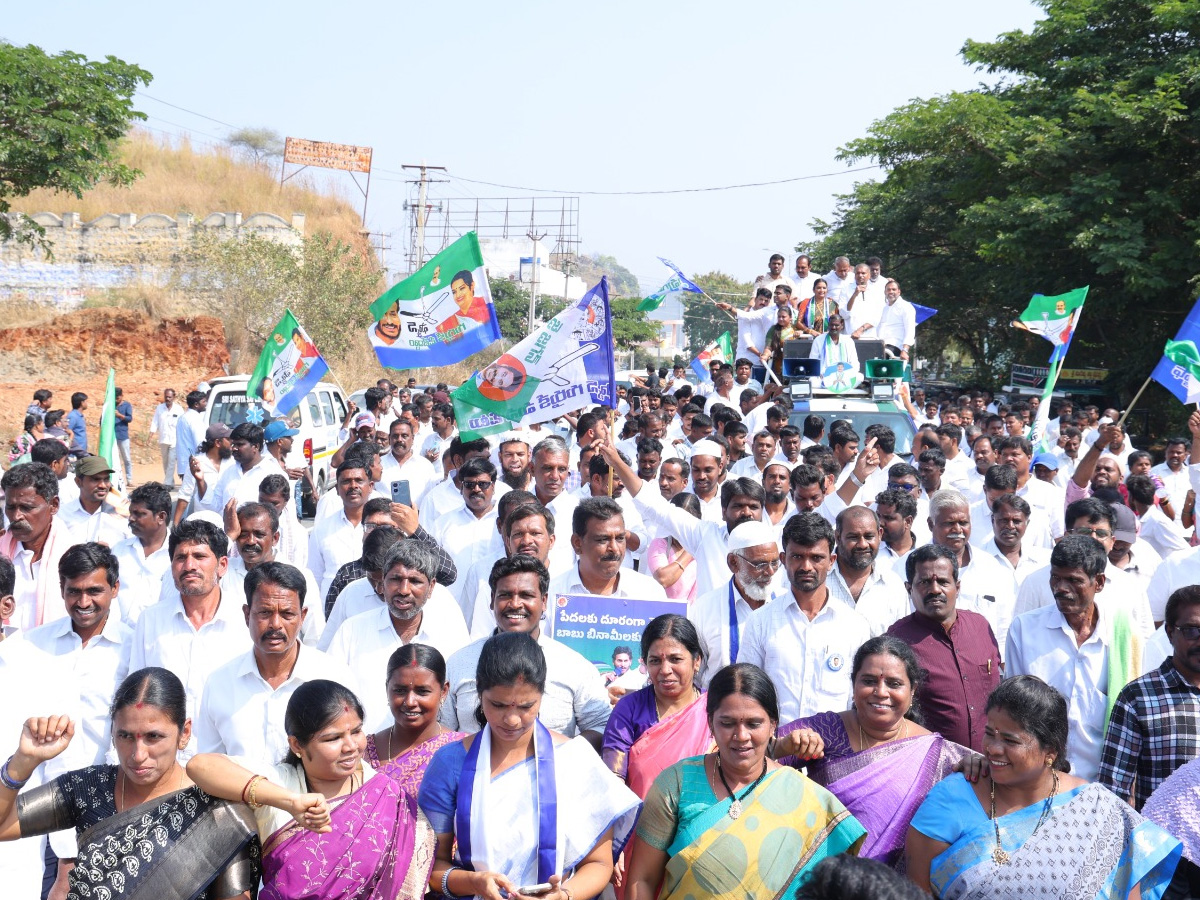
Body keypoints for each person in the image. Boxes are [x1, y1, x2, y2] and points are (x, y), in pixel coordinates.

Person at [907, 676, 1181, 899]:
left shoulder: (1096, 809)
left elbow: (1126, 890)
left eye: (1011, 741)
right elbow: (916, 891)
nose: (993, 748)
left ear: (1050, 752)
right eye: (990, 733)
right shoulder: (951, 798)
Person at [0, 667, 261, 899]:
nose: (138, 754)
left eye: (153, 736)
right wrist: (23, 762)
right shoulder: (89, 788)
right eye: (125, 736)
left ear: (185, 733)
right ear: (112, 731)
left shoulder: (215, 812)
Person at [420, 632, 641, 900]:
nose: (512, 719)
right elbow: (429, 866)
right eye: (498, 705)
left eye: (526, 706)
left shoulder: (574, 759)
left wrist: (563, 896)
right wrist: (475, 882)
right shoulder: (450, 763)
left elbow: (599, 864)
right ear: (479, 691)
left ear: (542, 694)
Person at [625, 662, 866, 899]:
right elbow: (642, 880)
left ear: (773, 724)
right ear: (710, 723)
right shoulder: (677, 784)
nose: (741, 736)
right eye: (727, 723)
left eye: (754, 724)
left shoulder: (806, 797)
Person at [188, 678, 435, 899]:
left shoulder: (387, 794)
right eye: (333, 738)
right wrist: (288, 802)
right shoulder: (280, 782)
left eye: (357, 731)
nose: (350, 746)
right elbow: (200, 766)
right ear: (297, 744)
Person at [775, 636, 971, 869]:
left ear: (913, 690)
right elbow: (749, 752)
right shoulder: (826, 729)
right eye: (868, 681)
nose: (880, 692)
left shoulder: (936, 753)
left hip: (891, 887)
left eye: (894, 684)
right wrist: (782, 748)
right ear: (853, 684)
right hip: (821, 880)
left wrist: (980, 766)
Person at [442, 555, 613, 744]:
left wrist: (561, 754)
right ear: (492, 600)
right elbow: (441, 730)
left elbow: (601, 726)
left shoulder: (574, 666)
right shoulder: (459, 662)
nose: (515, 604)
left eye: (526, 595)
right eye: (505, 595)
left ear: (544, 601)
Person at [602, 616, 713, 898]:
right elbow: (612, 778)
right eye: (655, 661)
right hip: (638, 841)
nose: (665, 670)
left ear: (696, 660)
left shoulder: (715, 710)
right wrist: (612, 844)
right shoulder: (629, 709)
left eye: (676, 659)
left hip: (701, 840)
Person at [739, 513, 872, 723]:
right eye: (797, 557)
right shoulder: (760, 622)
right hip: (777, 749)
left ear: (831, 561)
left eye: (816, 558)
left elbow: (859, 698)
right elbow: (746, 692)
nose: (806, 567)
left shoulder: (855, 626)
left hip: (836, 750)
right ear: (783, 560)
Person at [887, 545, 1001, 752]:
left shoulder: (980, 626)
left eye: (943, 581)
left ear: (957, 587)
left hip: (991, 764)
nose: (935, 590)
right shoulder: (896, 641)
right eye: (924, 582)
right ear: (908, 588)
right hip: (933, 768)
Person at [1099, 584, 1200, 808]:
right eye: (1192, 630)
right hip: (1165, 841)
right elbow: (1113, 793)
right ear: (1170, 632)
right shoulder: (1138, 697)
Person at [364, 643, 466, 797]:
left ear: (443, 692)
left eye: (422, 691)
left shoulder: (463, 750)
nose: (410, 702)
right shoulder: (363, 752)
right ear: (387, 689)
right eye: (400, 691)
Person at [0, 462, 71, 632]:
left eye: (26, 507)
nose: (16, 516)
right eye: (11, 507)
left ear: (53, 505)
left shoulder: (73, 559)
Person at [647, 492, 701, 602]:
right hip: (666, 615)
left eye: (686, 524)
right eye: (678, 523)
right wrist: (690, 549)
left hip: (698, 615)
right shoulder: (659, 545)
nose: (681, 529)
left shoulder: (706, 547)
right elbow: (663, 579)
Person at [148, 388, 182, 485]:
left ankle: (167, 484)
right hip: (163, 439)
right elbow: (155, 422)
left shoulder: (178, 409)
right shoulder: (160, 408)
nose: (168, 399)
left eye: (170, 397)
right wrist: (150, 436)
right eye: (166, 397)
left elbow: (183, 424)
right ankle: (170, 481)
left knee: (171, 462)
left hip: (174, 440)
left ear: (173, 397)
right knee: (165, 462)